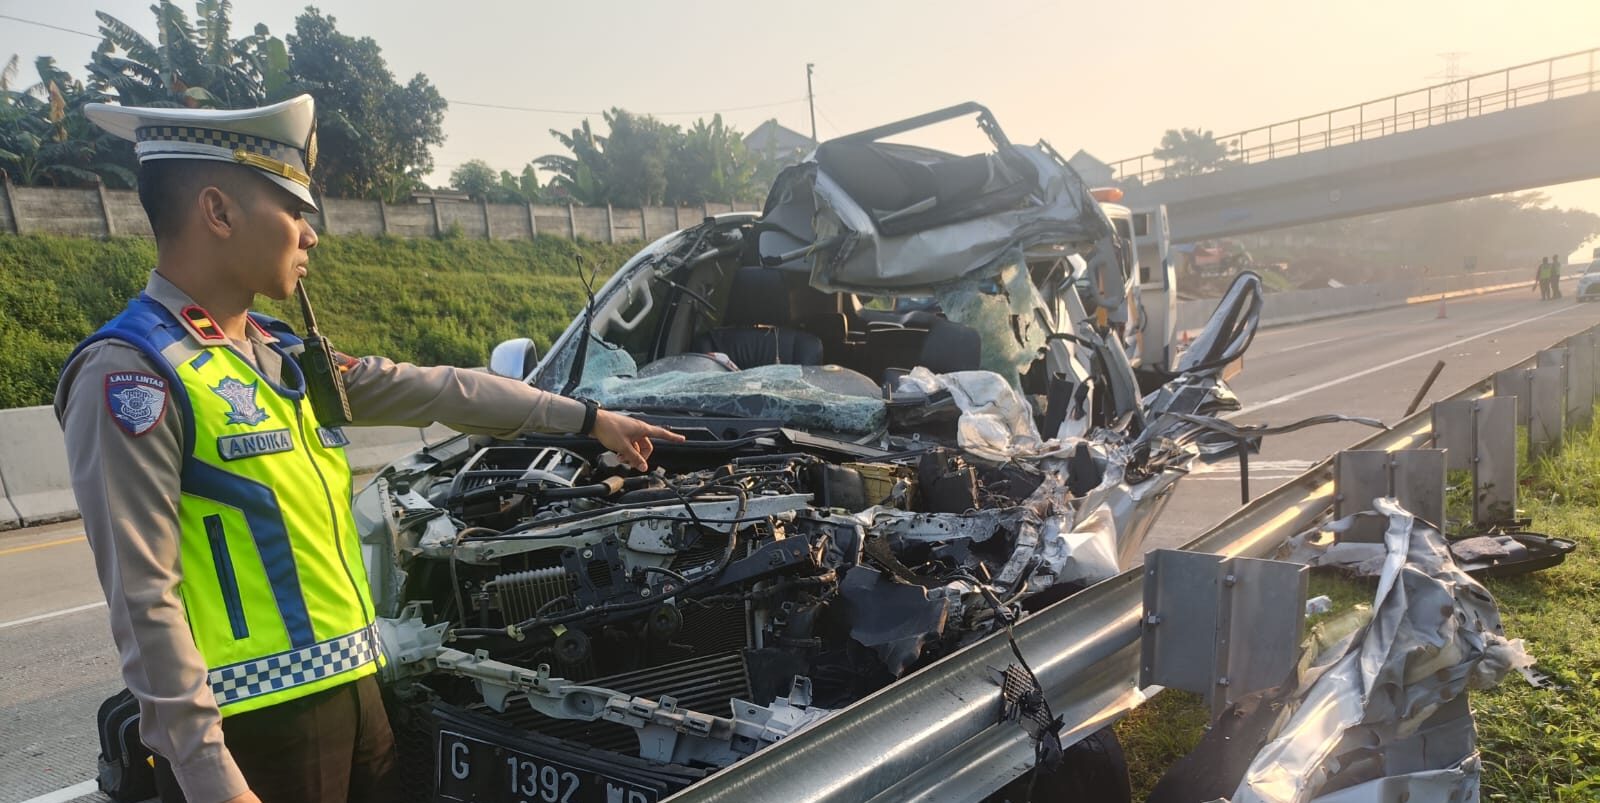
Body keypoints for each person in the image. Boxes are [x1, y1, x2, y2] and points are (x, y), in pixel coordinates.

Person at [56, 95, 683, 803]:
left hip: (357, 697)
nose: (311, 234)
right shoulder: (133, 371)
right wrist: (212, 779)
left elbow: (446, 391)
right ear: (218, 211)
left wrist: (587, 418)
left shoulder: (279, 356)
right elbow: (145, 604)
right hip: (254, 733)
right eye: (294, 208)